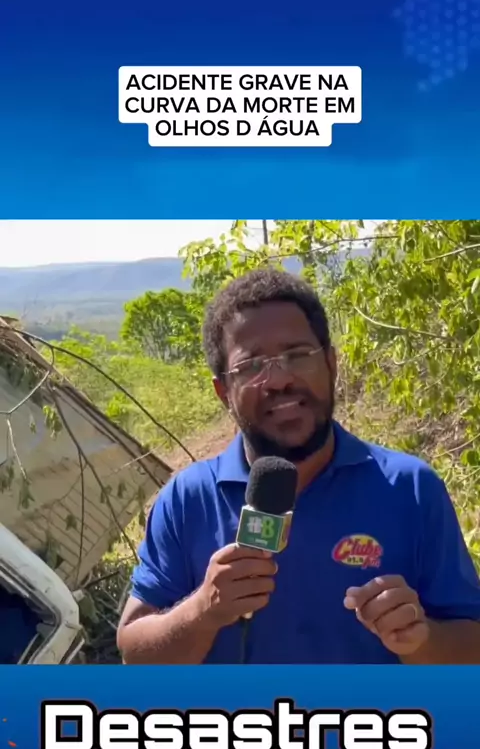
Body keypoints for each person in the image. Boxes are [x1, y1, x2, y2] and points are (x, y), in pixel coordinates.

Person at [117, 269, 480, 664]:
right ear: (224, 392)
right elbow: (134, 653)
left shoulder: (410, 488)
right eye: (252, 365)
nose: (279, 380)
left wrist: (421, 640)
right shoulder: (188, 499)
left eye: (297, 355)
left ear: (331, 364)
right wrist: (203, 610)